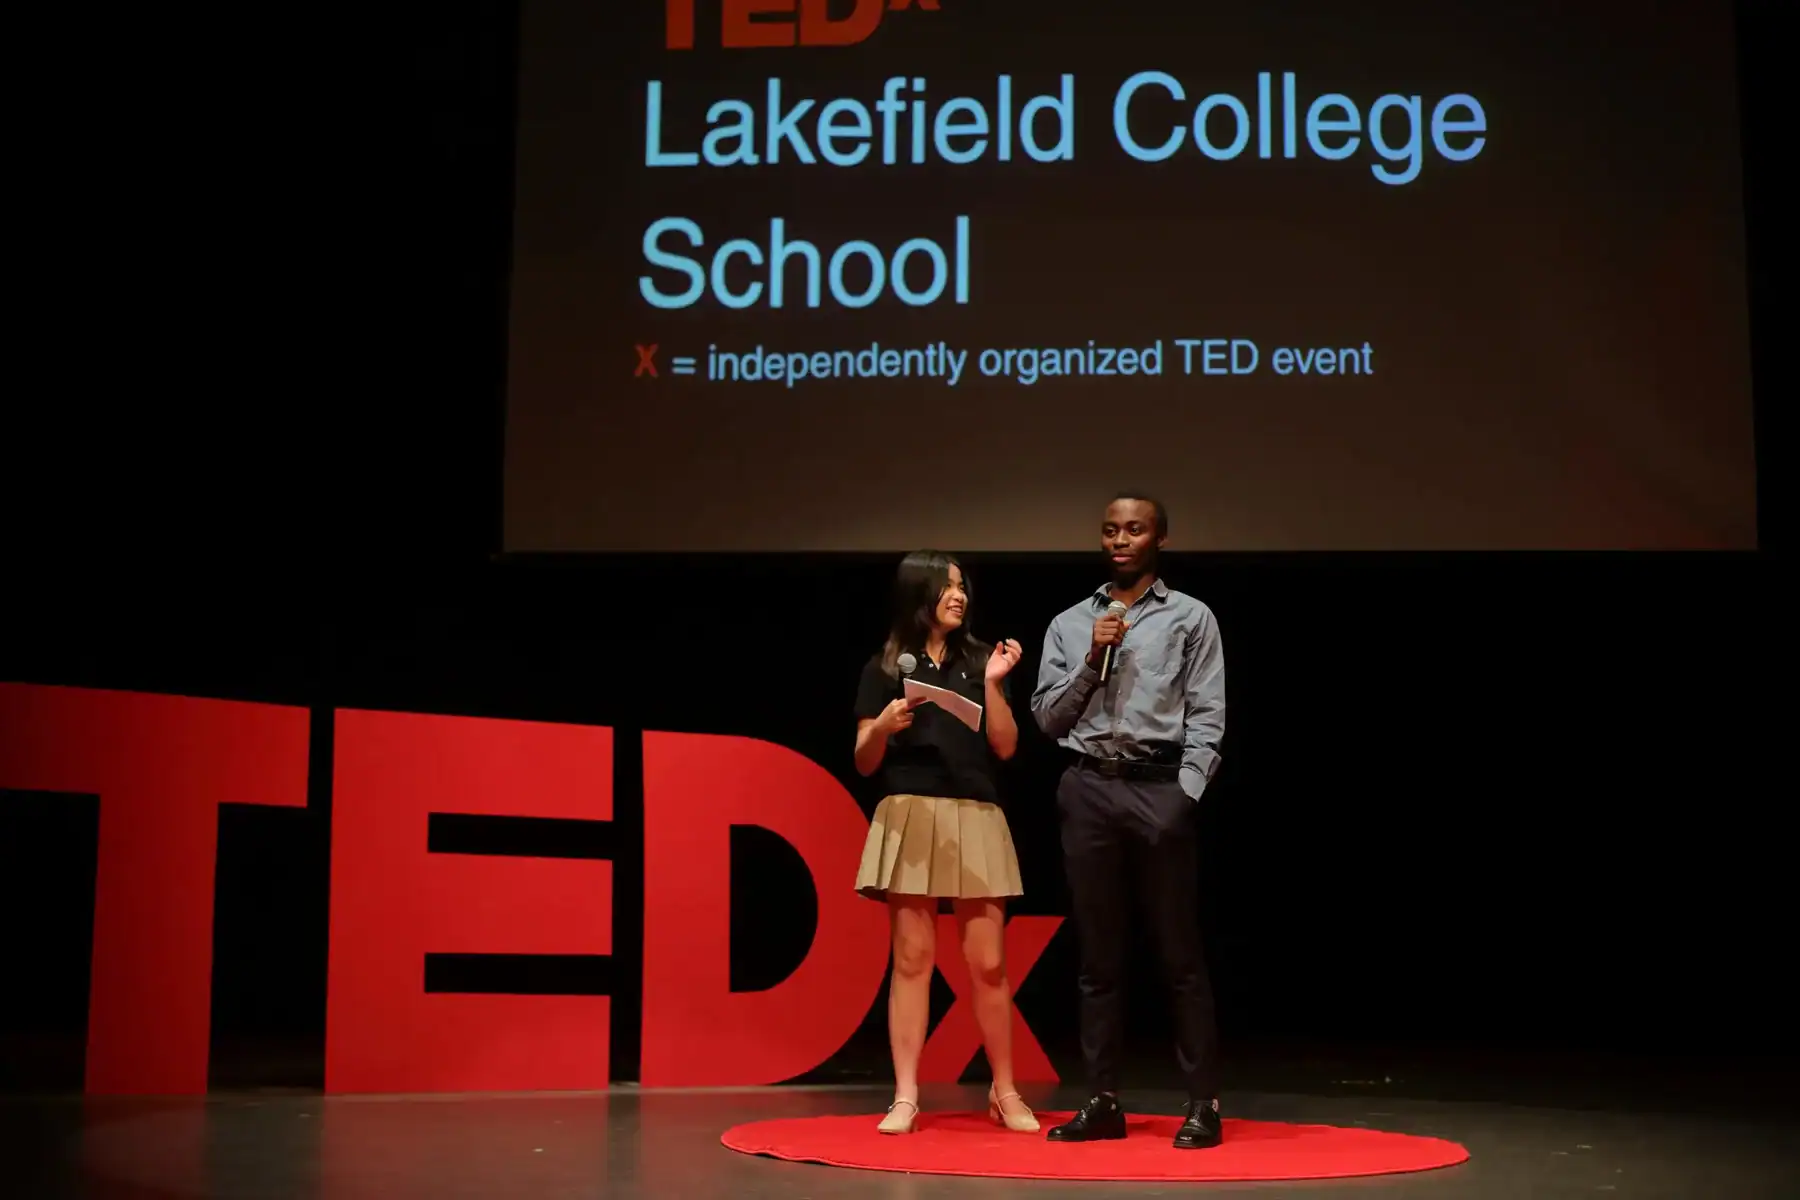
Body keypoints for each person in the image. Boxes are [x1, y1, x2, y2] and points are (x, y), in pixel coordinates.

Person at [1030, 494, 1226, 1150]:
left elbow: (1208, 714)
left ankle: (1203, 1103)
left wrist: (1184, 795)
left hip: (1157, 788)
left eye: (1134, 530)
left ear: (1159, 539)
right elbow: (1048, 719)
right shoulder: (1069, 623)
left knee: (1179, 956)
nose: (1120, 540)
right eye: (1111, 530)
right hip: (1088, 788)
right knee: (1098, 959)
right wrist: (1092, 658)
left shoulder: (1191, 617)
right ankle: (1103, 1101)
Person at [852, 550, 1038, 1136]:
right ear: (920, 593)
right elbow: (864, 759)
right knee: (912, 960)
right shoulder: (885, 665)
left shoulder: (982, 659)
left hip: (975, 812)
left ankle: (1004, 1090)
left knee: (988, 963)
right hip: (910, 810)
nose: (959, 595)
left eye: (962, 586)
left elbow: (1005, 746)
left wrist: (994, 686)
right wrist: (883, 726)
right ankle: (905, 1095)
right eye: (947, 586)